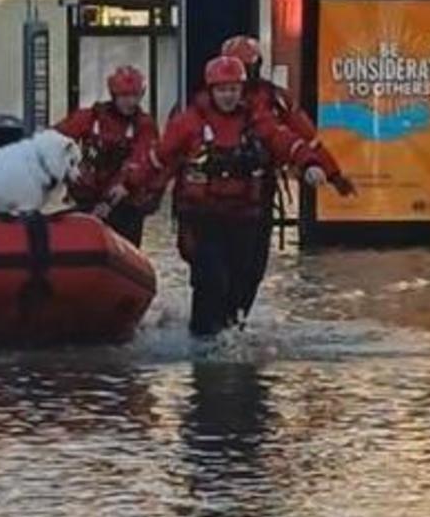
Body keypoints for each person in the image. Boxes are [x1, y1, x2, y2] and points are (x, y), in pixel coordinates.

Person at [131, 56, 321, 337]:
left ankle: (230, 332)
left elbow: (285, 141)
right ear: (211, 90)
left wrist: (311, 164)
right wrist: (130, 186)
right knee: (211, 278)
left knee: (244, 282)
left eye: (233, 89)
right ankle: (203, 340)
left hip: (244, 217)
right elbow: (159, 158)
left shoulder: (256, 120)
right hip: (202, 218)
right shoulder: (189, 123)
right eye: (222, 90)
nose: (228, 96)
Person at [217, 34, 357, 318]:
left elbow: (305, 139)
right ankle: (215, 318)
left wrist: (332, 173)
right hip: (215, 195)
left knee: (252, 265)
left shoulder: (275, 101)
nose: (235, 88)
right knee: (214, 264)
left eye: (244, 71)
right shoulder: (205, 104)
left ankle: (234, 320)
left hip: (258, 190)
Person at [54, 66, 159, 246]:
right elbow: (56, 140)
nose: (130, 102)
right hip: (87, 199)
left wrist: (115, 196)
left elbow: (141, 160)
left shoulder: (145, 125)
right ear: (114, 95)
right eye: (124, 96)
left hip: (125, 204)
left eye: (135, 96)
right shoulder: (91, 117)